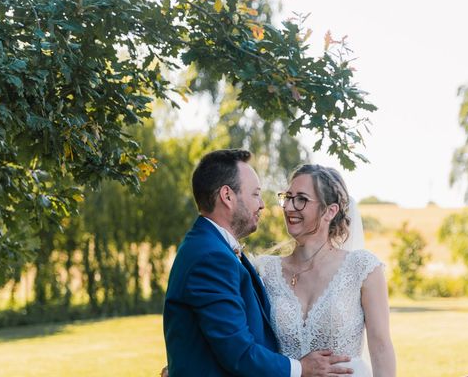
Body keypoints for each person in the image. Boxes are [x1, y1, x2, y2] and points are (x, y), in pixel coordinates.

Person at [163, 149, 353, 377]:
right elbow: (238, 352)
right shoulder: (211, 257)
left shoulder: (212, 247)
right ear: (227, 196)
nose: (262, 204)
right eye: (255, 194)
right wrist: (301, 369)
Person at [255, 164, 396, 377]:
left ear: (330, 211)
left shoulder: (362, 268)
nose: (289, 207)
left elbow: (381, 348)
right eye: (288, 197)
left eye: (301, 199)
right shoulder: (264, 270)